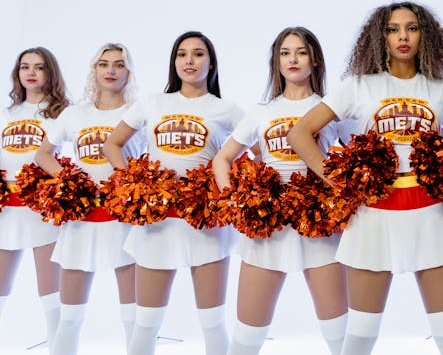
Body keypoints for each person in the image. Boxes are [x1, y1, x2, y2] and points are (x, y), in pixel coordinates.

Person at [288, 1, 443, 355]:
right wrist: (339, 181)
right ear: (380, 37)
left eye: (411, 27)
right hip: (373, 218)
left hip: (431, 216)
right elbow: (300, 133)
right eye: (393, 29)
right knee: (360, 337)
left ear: (426, 35)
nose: (403, 36)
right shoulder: (358, 86)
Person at [103, 31, 244, 355]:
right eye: (182, 54)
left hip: (206, 223)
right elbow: (112, 143)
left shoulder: (226, 109)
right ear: (174, 62)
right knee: (147, 323)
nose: (189, 61)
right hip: (157, 222)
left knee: (212, 321)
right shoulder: (153, 102)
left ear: (212, 63)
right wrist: (132, 183)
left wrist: (234, 188)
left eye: (197, 54)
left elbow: (255, 148)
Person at [213, 27, 347, 354]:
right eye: (285, 53)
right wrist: (237, 201)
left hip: (319, 229)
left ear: (314, 60)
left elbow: (361, 153)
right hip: (267, 228)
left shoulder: (330, 108)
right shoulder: (262, 112)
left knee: (340, 336)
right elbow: (222, 159)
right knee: (246, 337)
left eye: (300, 52)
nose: (293, 59)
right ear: (276, 61)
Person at [35, 43, 145, 354]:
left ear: (129, 71)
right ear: (93, 70)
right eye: (104, 64)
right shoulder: (74, 114)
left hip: (124, 220)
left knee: (133, 316)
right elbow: (43, 154)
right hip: (82, 220)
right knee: (70, 316)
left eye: (120, 64)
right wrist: (69, 182)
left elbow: (157, 159)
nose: (111, 70)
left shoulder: (136, 113)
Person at [0, 47, 69, 343]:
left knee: (50, 288)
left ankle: (58, 346)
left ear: (49, 73)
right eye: (24, 66)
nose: (30, 72)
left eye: (39, 67)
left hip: (44, 209)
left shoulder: (63, 113)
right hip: (7, 210)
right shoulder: (6, 114)